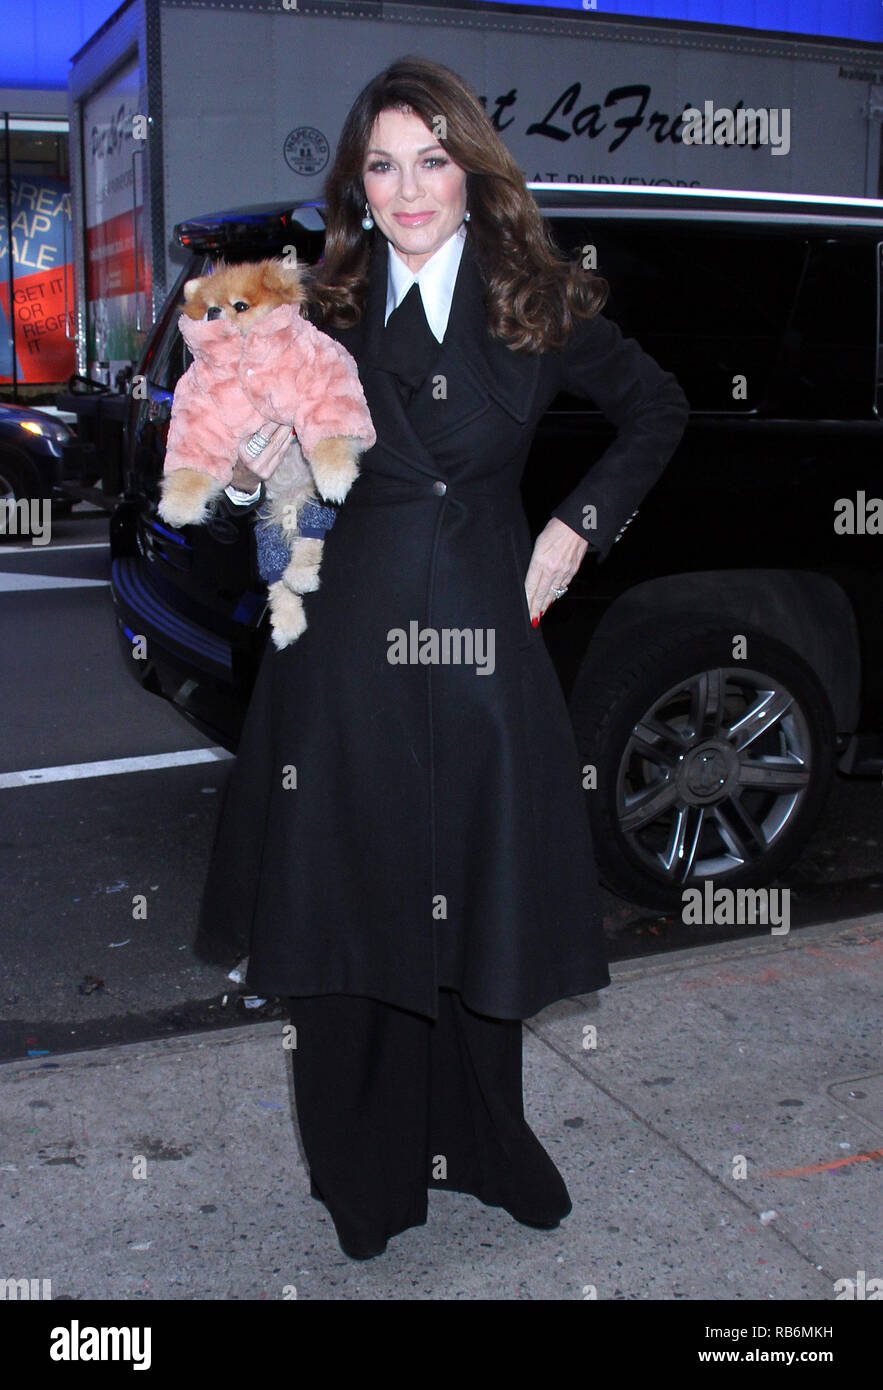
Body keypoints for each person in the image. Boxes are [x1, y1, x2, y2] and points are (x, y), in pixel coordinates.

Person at [196, 56, 690, 1261]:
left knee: (476, 913)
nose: (409, 188)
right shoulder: (317, 306)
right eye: (382, 164)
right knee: (341, 915)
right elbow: (232, 484)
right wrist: (255, 474)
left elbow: (659, 409)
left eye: (431, 159)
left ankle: (481, 1144)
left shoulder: (539, 296)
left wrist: (575, 529)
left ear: (469, 168)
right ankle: (364, 1181)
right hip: (342, 661)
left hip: (479, 649)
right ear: (355, 186)